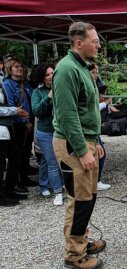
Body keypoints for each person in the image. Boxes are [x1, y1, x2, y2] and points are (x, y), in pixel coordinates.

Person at [52, 21, 105, 269]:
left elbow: (87, 109)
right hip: (74, 144)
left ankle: (81, 240)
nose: (98, 45)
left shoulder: (82, 67)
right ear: (78, 42)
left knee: (89, 197)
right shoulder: (66, 70)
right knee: (80, 200)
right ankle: (74, 255)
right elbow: (67, 115)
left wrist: (94, 143)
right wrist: (83, 150)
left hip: (86, 141)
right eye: (94, 41)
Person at [3, 58, 38, 195]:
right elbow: (11, 106)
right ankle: (15, 182)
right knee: (16, 155)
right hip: (17, 125)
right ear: (10, 69)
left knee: (26, 152)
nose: (20, 69)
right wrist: (24, 121)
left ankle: (24, 178)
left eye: (21, 66)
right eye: (16, 67)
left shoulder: (25, 84)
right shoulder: (7, 85)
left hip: (28, 122)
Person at [31, 64, 64, 206]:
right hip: (46, 133)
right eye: (47, 75)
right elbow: (36, 111)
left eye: (53, 73)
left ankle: (49, 185)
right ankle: (57, 192)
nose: (51, 76)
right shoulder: (37, 93)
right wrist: (49, 97)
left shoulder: (62, 89)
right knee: (52, 163)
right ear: (42, 78)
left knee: (54, 160)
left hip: (61, 131)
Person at [0, 81, 30, 206]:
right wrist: (15, 110)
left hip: (7, 128)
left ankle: (9, 190)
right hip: (2, 129)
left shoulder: (1, 84)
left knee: (15, 158)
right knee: (1, 164)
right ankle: (1, 196)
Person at [88, 63, 111, 191]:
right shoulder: (85, 88)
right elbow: (92, 108)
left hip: (93, 128)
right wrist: (105, 104)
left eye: (97, 72)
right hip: (88, 129)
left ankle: (95, 180)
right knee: (99, 153)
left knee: (99, 153)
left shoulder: (94, 86)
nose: (96, 75)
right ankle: (94, 181)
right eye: (93, 72)